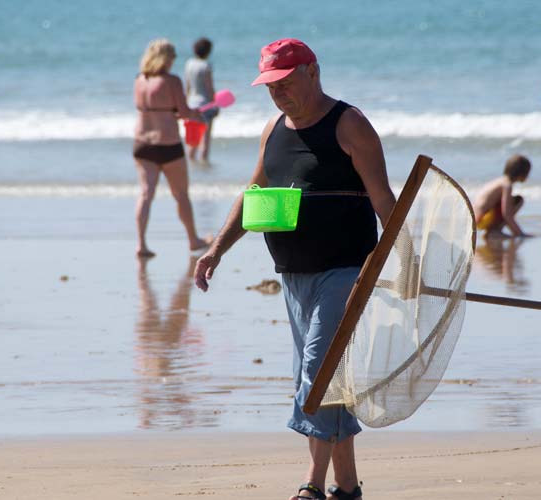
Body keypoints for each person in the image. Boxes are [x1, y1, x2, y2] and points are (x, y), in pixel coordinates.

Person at [193, 38, 394, 500]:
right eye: (270, 84)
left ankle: (313, 485)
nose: (278, 92)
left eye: (285, 81)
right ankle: (348, 488)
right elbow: (253, 195)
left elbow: (385, 201)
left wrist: (406, 260)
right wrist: (216, 249)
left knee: (316, 375)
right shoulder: (274, 130)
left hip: (348, 272)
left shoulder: (350, 125)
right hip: (294, 276)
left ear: (312, 71)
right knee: (330, 379)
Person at [132, 39, 212, 258]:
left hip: (142, 144)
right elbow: (185, 112)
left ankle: (141, 243)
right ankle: (193, 239)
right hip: (168, 145)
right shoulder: (172, 81)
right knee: (181, 194)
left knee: (146, 194)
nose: (174, 60)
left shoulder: (139, 80)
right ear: (165, 57)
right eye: (172, 56)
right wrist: (196, 115)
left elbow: (153, 110)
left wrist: (175, 113)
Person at [473, 154, 531, 238]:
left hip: (475, 219)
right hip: (482, 219)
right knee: (519, 201)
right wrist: (520, 233)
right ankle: (494, 231)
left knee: (511, 201)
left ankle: (492, 231)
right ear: (522, 173)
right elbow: (506, 214)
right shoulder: (507, 185)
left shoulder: (500, 181)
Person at [184, 37, 217, 162]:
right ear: (208, 51)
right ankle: (204, 166)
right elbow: (209, 88)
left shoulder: (189, 64)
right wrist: (215, 103)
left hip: (192, 104)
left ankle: (192, 168)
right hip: (205, 105)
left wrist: (186, 103)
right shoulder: (206, 65)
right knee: (205, 139)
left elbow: (187, 86)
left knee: (193, 140)